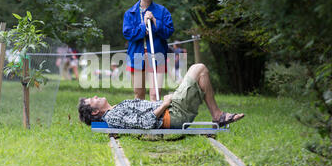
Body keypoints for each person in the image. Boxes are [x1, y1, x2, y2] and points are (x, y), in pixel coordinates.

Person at [78, 63, 244, 129]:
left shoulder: (114, 110)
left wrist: (163, 102)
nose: (95, 96)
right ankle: (217, 116)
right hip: (172, 114)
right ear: (94, 112)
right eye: (92, 100)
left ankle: (218, 116)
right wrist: (164, 104)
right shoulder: (113, 117)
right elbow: (145, 123)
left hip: (170, 109)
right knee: (198, 68)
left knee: (200, 74)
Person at [123, 0, 174, 101]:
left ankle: (155, 119)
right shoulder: (130, 13)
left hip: (157, 55)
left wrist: (155, 21)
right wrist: (143, 26)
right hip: (137, 55)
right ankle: (140, 120)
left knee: (155, 94)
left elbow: (168, 32)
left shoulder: (162, 11)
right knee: (139, 94)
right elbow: (128, 34)